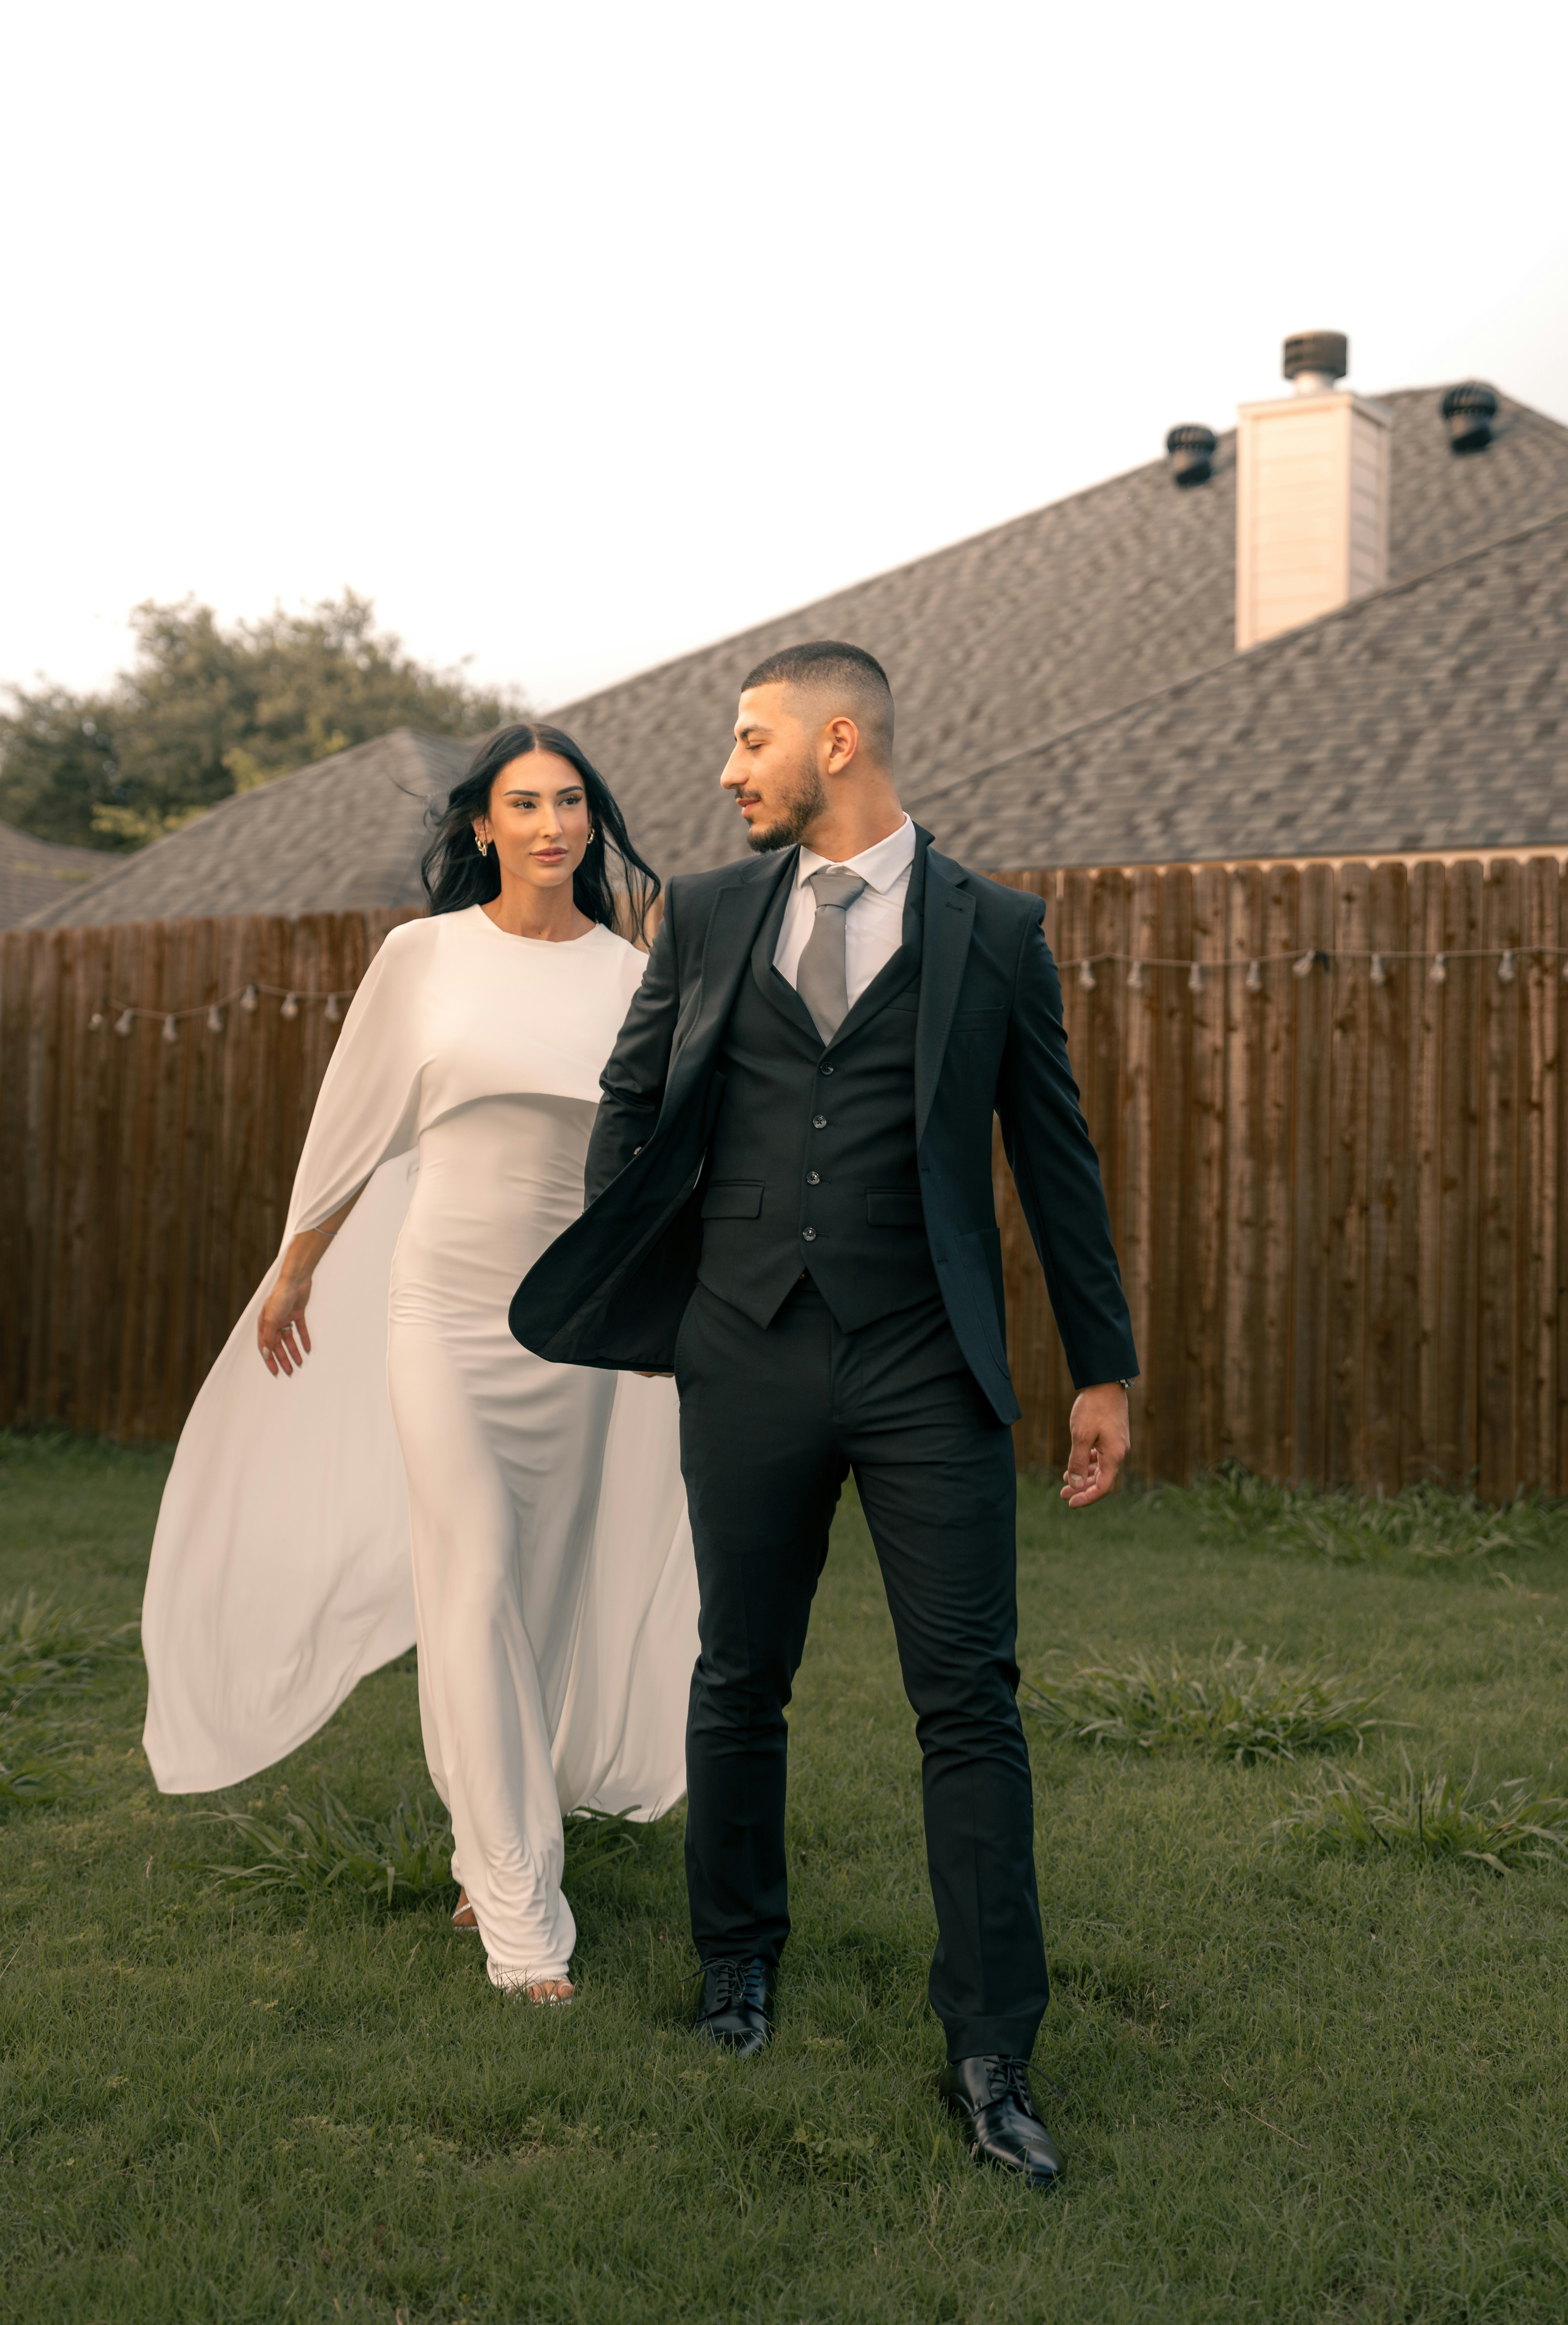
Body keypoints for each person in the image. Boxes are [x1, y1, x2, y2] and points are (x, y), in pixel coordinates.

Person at [511, 640, 1136, 2174]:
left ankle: (992, 2051)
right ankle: (736, 1962)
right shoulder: (710, 912)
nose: (729, 771)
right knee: (740, 1671)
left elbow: (1053, 1153)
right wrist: (658, 1294)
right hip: (745, 1351)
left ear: (837, 743)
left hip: (928, 1361)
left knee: (970, 1703)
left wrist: (1102, 1366)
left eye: (751, 742)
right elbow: (635, 1100)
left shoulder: (995, 929)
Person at [142, 725, 699, 2005]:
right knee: (477, 1571)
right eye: (526, 804)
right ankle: (523, 1914)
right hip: (442, 1308)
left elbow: (656, 1161)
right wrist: (297, 1264)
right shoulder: (424, 956)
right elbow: (356, 1114)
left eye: (571, 802)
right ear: (483, 827)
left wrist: (663, 1305)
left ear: (593, 823)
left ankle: (489, 1841)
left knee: (536, 1602)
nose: (552, 825)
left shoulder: (632, 976)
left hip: (574, 1324)